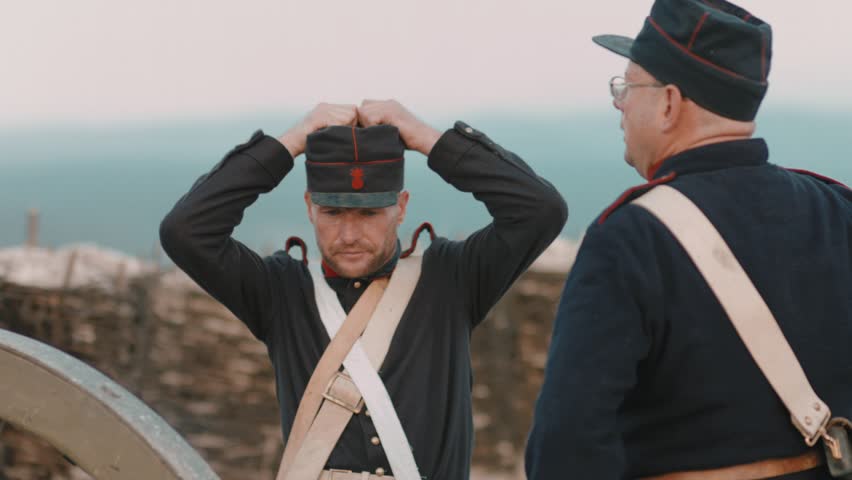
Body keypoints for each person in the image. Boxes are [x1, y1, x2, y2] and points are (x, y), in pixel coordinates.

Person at [525, 0, 852, 479]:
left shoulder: (630, 238)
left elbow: (567, 447)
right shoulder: (837, 209)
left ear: (669, 103)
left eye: (627, 86)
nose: (620, 103)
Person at [160, 100, 567, 479]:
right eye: (333, 212)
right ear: (309, 207)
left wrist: (424, 137)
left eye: (370, 213)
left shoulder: (453, 279)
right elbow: (186, 231)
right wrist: (292, 141)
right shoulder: (280, 293)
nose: (350, 234)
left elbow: (539, 209)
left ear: (402, 207)